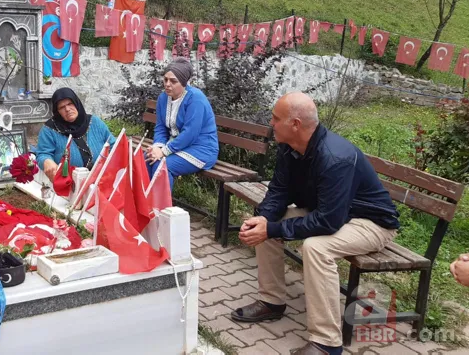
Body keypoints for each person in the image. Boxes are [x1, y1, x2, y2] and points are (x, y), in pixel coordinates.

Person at [230, 92, 400, 355]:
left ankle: (326, 343)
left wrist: (273, 228)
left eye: (276, 118)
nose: (271, 123)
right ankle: (272, 302)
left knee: (316, 248)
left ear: (295, 124)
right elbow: (279, 190)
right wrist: (264, 219)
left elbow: (328, 222)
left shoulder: (335, 157)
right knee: (261, 225)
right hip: (332, 214)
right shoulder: (289, 147)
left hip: (370, 223)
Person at [146, 57, 219, 189]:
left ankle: (162, 207)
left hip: (201, 149)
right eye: (165, 79)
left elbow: (190, 134)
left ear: (184, 83)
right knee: (147, 159)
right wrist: (157, 147)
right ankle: (145, 204)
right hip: (177, 145)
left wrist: (164, 152)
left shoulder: (196, 98)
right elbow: (161, 127)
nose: (168, 84)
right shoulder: (163, 98)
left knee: (161, 165)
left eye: (173, 81)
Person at [36, 88, 116, 182]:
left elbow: (113, 145)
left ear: (76, 103)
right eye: (62, 107)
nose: (67, 109)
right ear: (57, 111)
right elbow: (43, 154)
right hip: (69, 185)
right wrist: (46, 161)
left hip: (102, 180)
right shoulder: (49, 130)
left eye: (70, 104)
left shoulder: (94, 122)